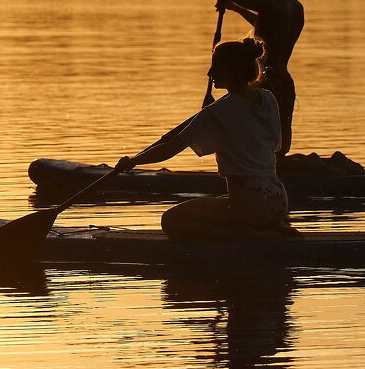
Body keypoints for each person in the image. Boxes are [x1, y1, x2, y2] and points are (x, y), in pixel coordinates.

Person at [115, 38, 296, 242]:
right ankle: (271, 226)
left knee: (171, 221)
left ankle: (244, 233)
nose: (209, 73)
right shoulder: (268, 98)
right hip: (278, 201)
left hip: (250, 206)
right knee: (219, 203)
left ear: (234, 70)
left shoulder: (218, 111)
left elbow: (170, 148)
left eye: (216, 67)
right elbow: (274, 143)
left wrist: (133, 161)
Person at [214, 0, 304, 157]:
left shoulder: (267, 3)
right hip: (284, 82)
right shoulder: (295, 7)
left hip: (265, 84)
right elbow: (267, 27)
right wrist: (237, 9)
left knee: (250, 137)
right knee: (278, 144)